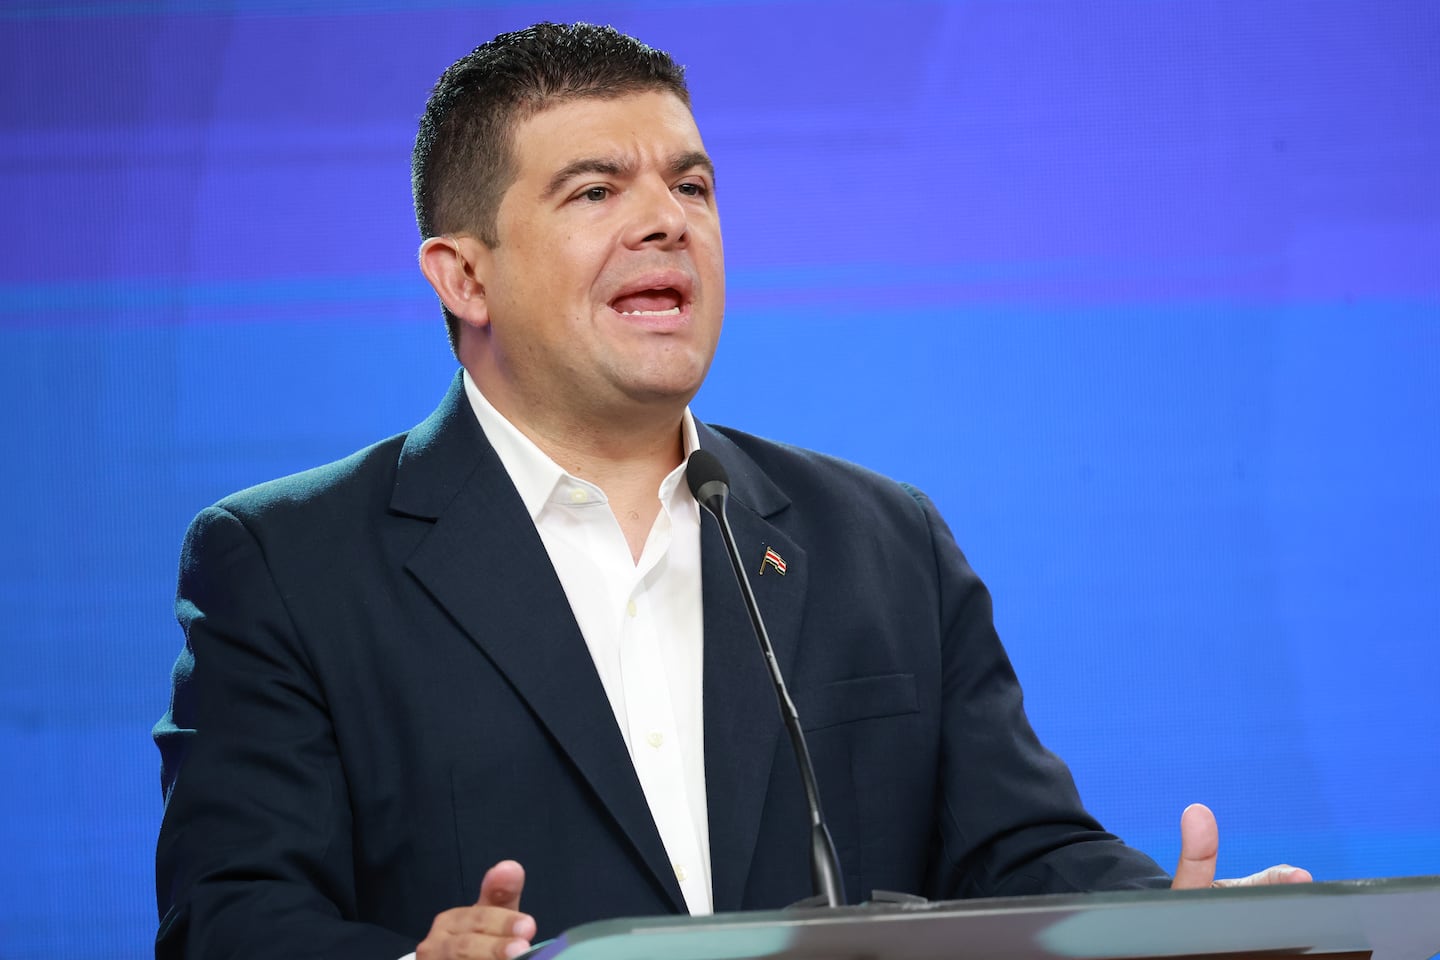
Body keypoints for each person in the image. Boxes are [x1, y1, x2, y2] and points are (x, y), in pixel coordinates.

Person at [153, 22, 1310, 960]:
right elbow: (230, 921)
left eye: (692, 185)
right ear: (464, 277)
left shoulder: (881, 541)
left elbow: (1017, 855)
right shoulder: (290, 564)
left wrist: (1170, 930)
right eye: (595, 191)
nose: (668, 220)